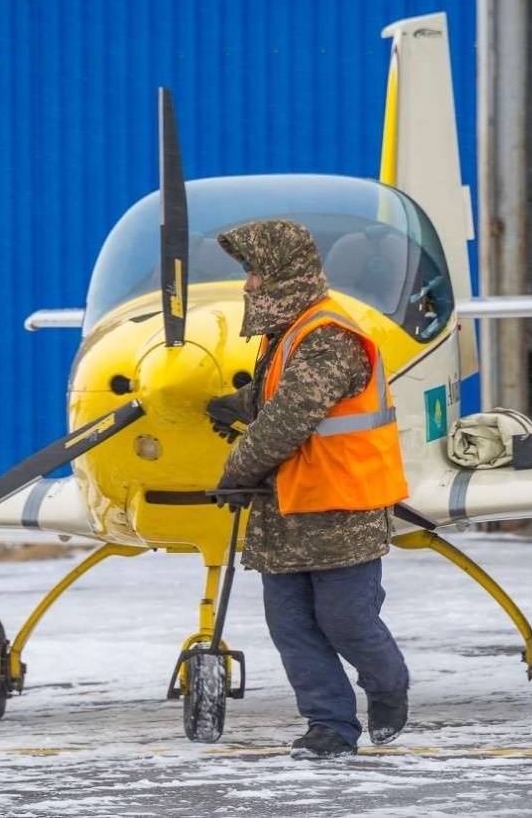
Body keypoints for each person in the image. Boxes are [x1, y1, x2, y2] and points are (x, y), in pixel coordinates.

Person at [206, 218, 410, 760]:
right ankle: (330, 727)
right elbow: (278, 397)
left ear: (280, 271)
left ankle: (388, 687)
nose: (247, 284)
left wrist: (234, 473)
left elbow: (288, 419)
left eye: (252, 272)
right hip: (288, 511)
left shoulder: (328, 338)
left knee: (346, 620)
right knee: (293, 626)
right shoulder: (288, 333)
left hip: (342, 508)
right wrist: (239, 404)